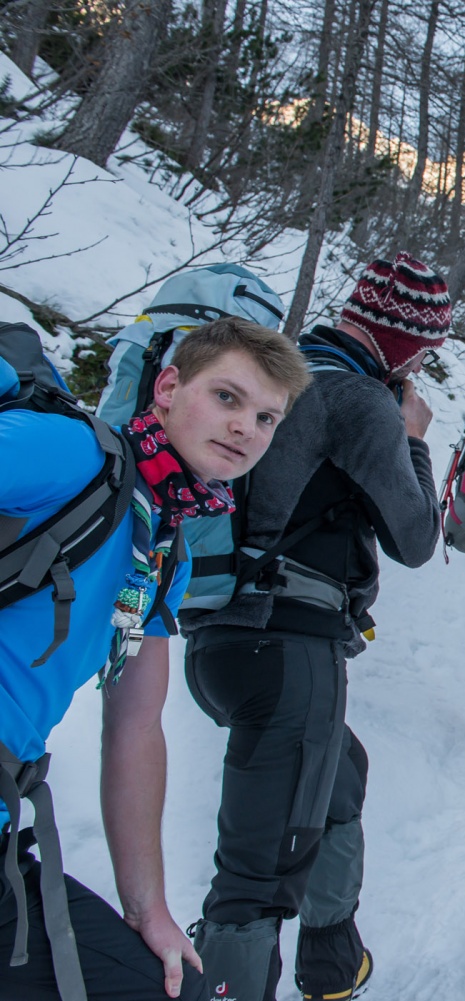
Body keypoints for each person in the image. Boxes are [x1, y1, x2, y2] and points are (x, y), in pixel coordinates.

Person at [0, 316, 308, 1001]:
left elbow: (137, 725)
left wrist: (149, 912)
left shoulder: (161, 552)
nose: (245, 428)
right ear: (167, 387)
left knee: (168, 986)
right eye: (226, 397)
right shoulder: (73, 454)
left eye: (266, 417)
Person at [179, 253, 449, 1001]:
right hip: (291, 642)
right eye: (426, 348)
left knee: (338, 779)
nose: (427, 362)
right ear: (402, 342)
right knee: (259, 870)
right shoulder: (357, 399)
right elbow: (417, 538)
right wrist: (416, 439)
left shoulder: (282, 381)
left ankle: (331, 963)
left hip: (221, 639)